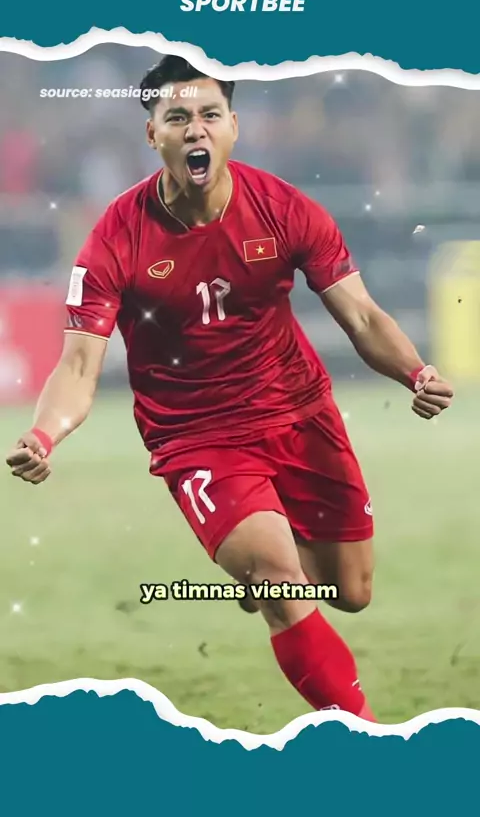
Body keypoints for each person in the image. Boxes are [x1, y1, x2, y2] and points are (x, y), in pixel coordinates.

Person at [5, 56, 454, 723]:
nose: (196, 129)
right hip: (197, 436)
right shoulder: (114, 241)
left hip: (299, 412)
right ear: (152, 133)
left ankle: (262, 568)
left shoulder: (286, 210)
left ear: (234, 127)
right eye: (178, 117)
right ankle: (364, 742)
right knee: (280, 584)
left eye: (210, 115)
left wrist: (415, 372)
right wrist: (45, 435)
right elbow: (77, 367)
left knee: (351, 591)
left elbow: (360, 315)